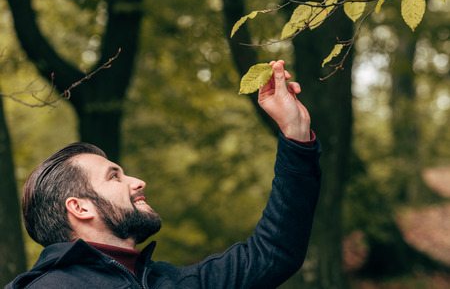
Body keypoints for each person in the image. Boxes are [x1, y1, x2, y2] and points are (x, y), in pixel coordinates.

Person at [6, 60, 321, 289]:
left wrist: (295, 133)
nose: (138, 182)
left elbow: (274, 253)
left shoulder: (171, 282)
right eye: (114, 177)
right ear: (79, 207)